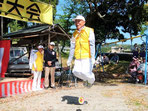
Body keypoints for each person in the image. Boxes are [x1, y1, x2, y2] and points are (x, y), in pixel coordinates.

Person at [67, 15, 95, 87]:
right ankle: (86, 80)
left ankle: (91, 80)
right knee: (75, 72)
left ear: (84, 22)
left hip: (87, 56)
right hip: (78, 57)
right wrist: (69, 59)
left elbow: (92, 45)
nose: (77, 23)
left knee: (85, 72)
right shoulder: (74, 34)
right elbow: (72, 47)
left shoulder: (89, 31)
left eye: (79, 21)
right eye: (76, 21)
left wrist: (92, 57)